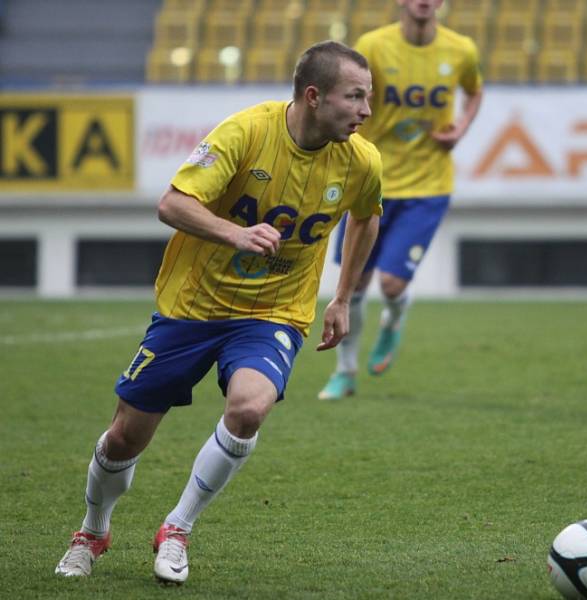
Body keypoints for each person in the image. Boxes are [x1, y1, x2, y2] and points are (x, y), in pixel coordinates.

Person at [54, 41, 382, 583]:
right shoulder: (245, 133)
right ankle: (92, 530)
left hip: (273, 313)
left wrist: (343, 297)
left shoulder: (361, 159)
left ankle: (177, 529)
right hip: (192, 307)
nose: (367, 111)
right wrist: (236, 233)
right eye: (355, 97)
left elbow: (367, 218)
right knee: (123, 439)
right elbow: (172, 204)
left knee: (249, 409)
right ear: (314, 96)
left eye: (368, 97)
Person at [318, 0, 483, 400]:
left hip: (428, 185)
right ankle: (346, 372)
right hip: (372, 178)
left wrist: (460, 128)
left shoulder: (461, 49)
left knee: (392, 284)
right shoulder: (373, 46)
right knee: (354, 284)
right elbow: (346, 95)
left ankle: (393, 320)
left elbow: (474, 92)